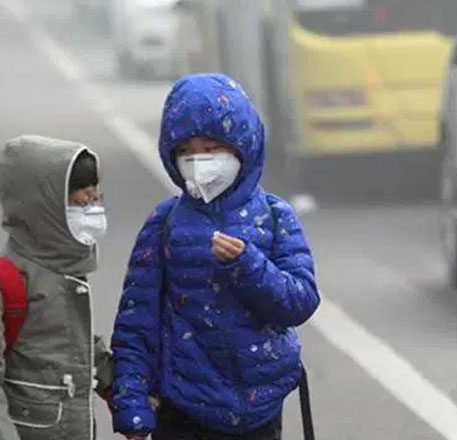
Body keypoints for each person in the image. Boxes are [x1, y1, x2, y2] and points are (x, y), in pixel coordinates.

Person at [110, 73, 321, 440]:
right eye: (186, 151)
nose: (198, 160)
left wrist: (248, 265)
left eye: (210, 149)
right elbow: (136, 321)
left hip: (261, 408)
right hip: (182, 408)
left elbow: (299, 302)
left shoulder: (275, 216)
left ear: (242, 146)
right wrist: (131, 404)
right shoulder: (164, 223)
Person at [0, 135, 114, 440]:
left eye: (95, 194)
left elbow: (80, 346)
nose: (91, 202)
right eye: (80, 192)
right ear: (43, 205)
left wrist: (128, 390)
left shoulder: (68, 269)